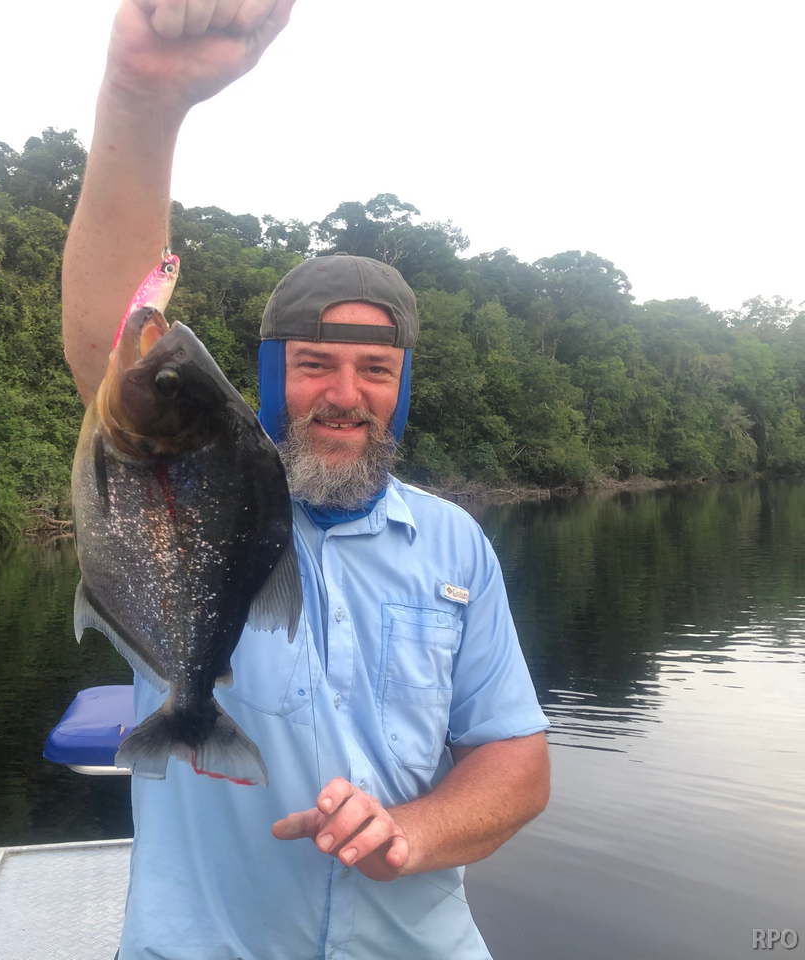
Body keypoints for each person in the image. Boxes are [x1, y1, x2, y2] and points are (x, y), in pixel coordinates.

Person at [61, 2, 551, 957]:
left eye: (376, 371)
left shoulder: (455, 544)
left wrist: (414, 831)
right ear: (270, 375)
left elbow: (517, 760)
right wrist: (143, 100)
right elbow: (111, 348)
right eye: (315, 364)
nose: (346, 395)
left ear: (402, 389)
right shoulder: (194, 484)